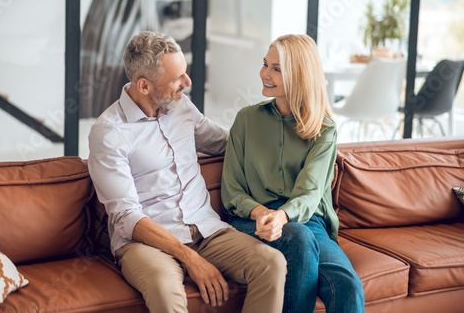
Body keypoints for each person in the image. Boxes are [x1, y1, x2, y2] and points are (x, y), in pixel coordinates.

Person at [87, 31, 286, 313]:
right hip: (147, 244)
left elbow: (227, 144)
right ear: (144, 86)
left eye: (185, 72)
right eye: (177, 78)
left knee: (271, 263)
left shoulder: (181, 107)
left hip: (207, 230)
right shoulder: (109, 133)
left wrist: (289, 140)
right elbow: (126, 217)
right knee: (164, 289)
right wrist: (191, 259)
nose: (188, 82)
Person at [221, 34, 365, 313]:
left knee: (347, 285)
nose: (264, 73)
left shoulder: (324, 130)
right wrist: (262, 213)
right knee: (297, 237)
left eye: (276, 68)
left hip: (308, 222)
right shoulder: (246, 120)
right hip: (251, 221)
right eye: (265, 64)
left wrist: (283, 216)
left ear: (299, 75)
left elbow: (310, 192)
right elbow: (232, 191)